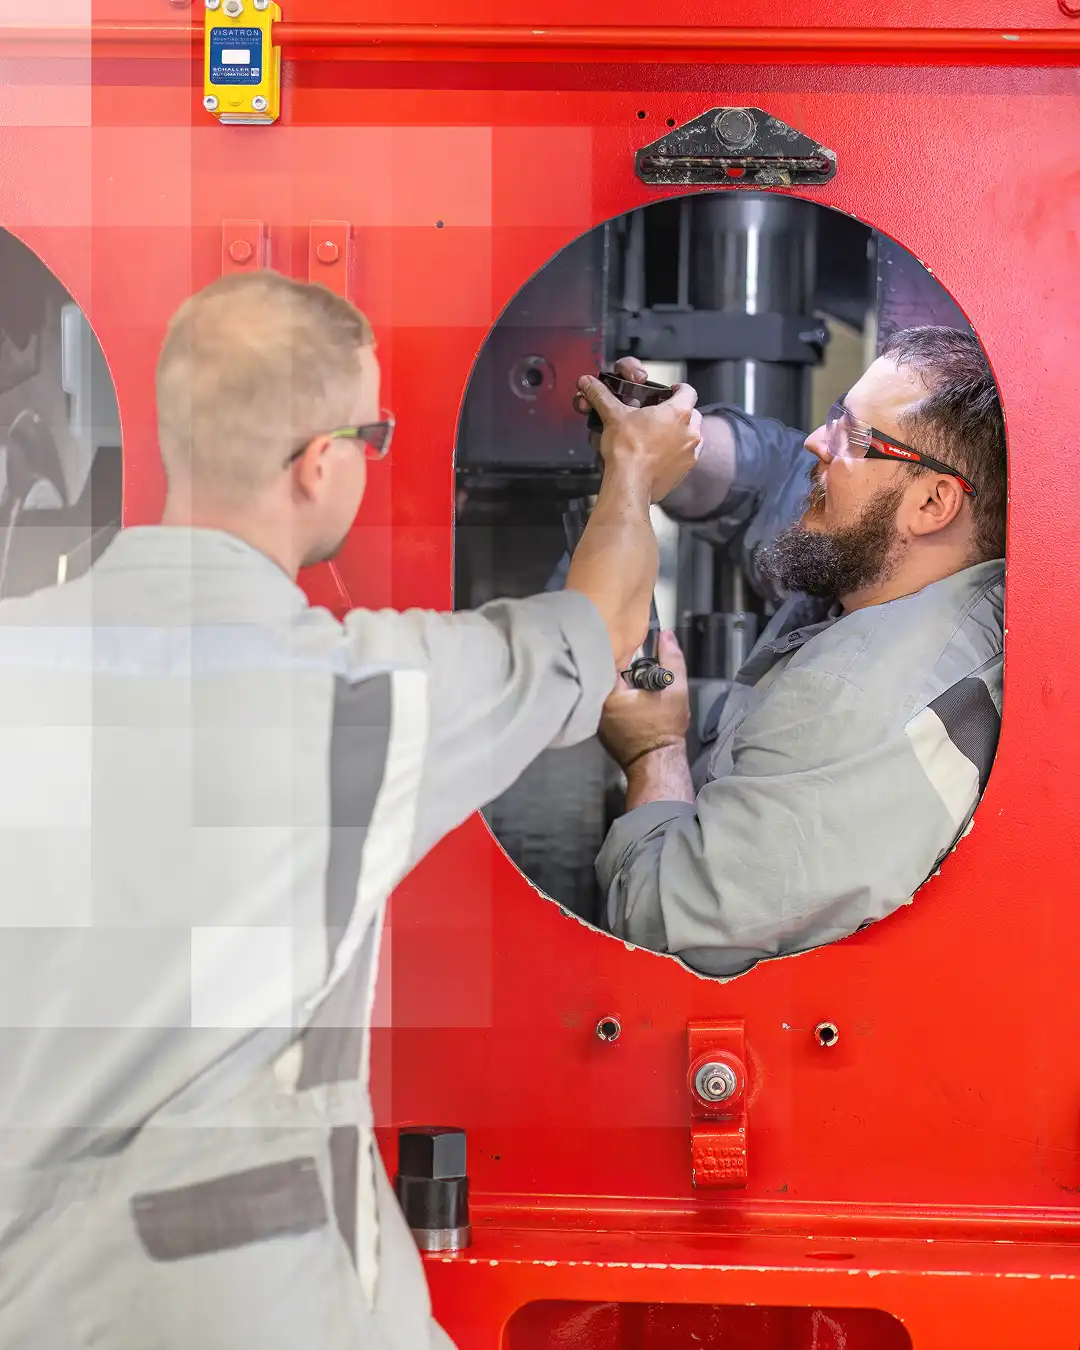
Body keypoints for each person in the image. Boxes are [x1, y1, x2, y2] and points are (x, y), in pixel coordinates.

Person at [0, 270, 701, 1350]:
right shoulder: (365, 697)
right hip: (244, 1304)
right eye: (373, 435)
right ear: (320, 463)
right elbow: (602, 628)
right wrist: (633, 471)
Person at [587, 328, 1006, 977]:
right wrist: (658, 433)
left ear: (932, 502)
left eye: (852, 437)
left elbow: (666, 927)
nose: (817, 440)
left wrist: (653, 753)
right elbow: (780, 478)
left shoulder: (859, 704)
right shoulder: (916, 573)